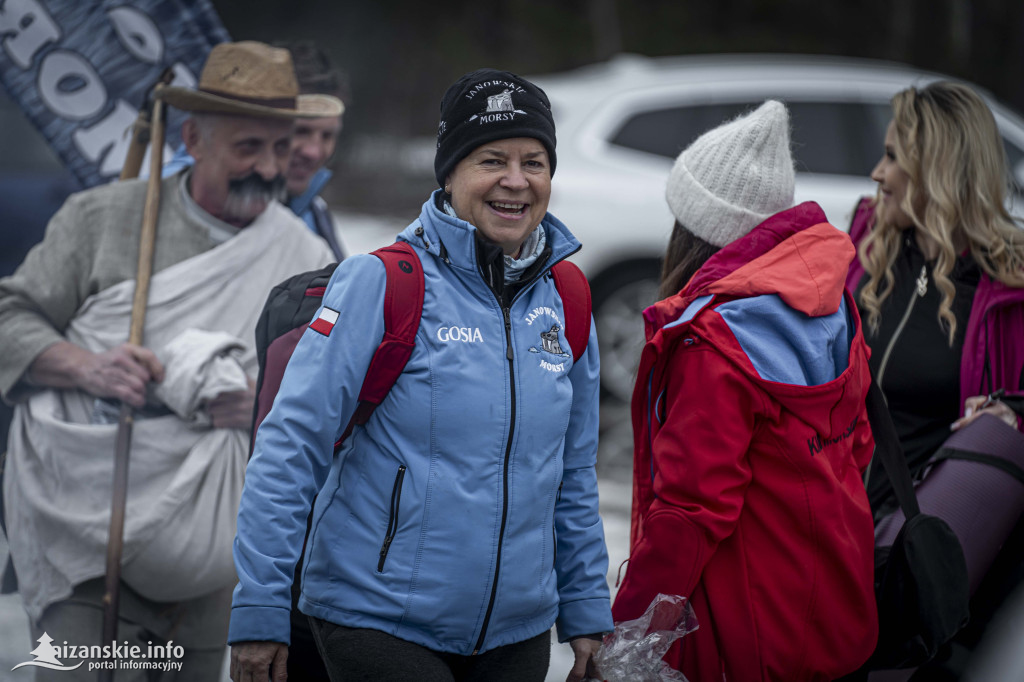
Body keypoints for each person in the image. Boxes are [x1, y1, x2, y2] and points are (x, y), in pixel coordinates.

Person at [228, 68, 613, 682]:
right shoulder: (382, 283)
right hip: (377, 618)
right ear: (450, 173)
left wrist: (587, 604)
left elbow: (571, 472)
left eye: (534, 163)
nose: (516, 181)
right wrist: (260, 604)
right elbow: (289, 448)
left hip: (517, 631)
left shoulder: (566, 297)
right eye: (492, 160)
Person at [0, 41, 334, 680]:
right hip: (89, 542)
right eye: (248, 147)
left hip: (218, 556)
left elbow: (330, 393)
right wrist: (85, 366)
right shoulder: (104, 219)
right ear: (194, 139)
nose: (268, 167)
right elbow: (10, 316)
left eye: (279, 148)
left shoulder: (307, 257)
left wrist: (261, 403)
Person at [610, 101, 879, 681]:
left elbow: (688, 514)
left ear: (693, 229)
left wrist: (628, 637)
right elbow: (857, 448)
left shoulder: (712, 345)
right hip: (838, 607)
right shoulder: (831, 305)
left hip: (752, 633)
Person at [845, 81, 1024, 678]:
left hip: (918, 555)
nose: (877, 173)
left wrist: (1013, 412)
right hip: (834, 530)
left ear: (939, 170)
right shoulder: (867, 243)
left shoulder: (1009, 281)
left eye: (892, 156)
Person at [163, 41, 348, 261]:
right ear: (194, 138)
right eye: (301, 131)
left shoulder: (315, 218)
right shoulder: (153, 207)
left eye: (327, 136)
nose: (314, 152)